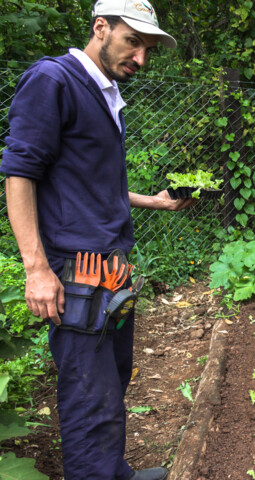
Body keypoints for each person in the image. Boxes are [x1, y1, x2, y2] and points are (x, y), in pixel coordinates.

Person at [0, 1, 193, 479]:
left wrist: (153, 201)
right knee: (88, 395)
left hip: (112, 270)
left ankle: (115, 471)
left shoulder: (104, 93)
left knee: (111, 381)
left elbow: (89, 180)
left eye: (148, 49)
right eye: (133, 41)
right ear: (100, 28)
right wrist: (36, 269)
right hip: (76, 272)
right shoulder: (55, 81)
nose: (141, 58)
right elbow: (20, 173)